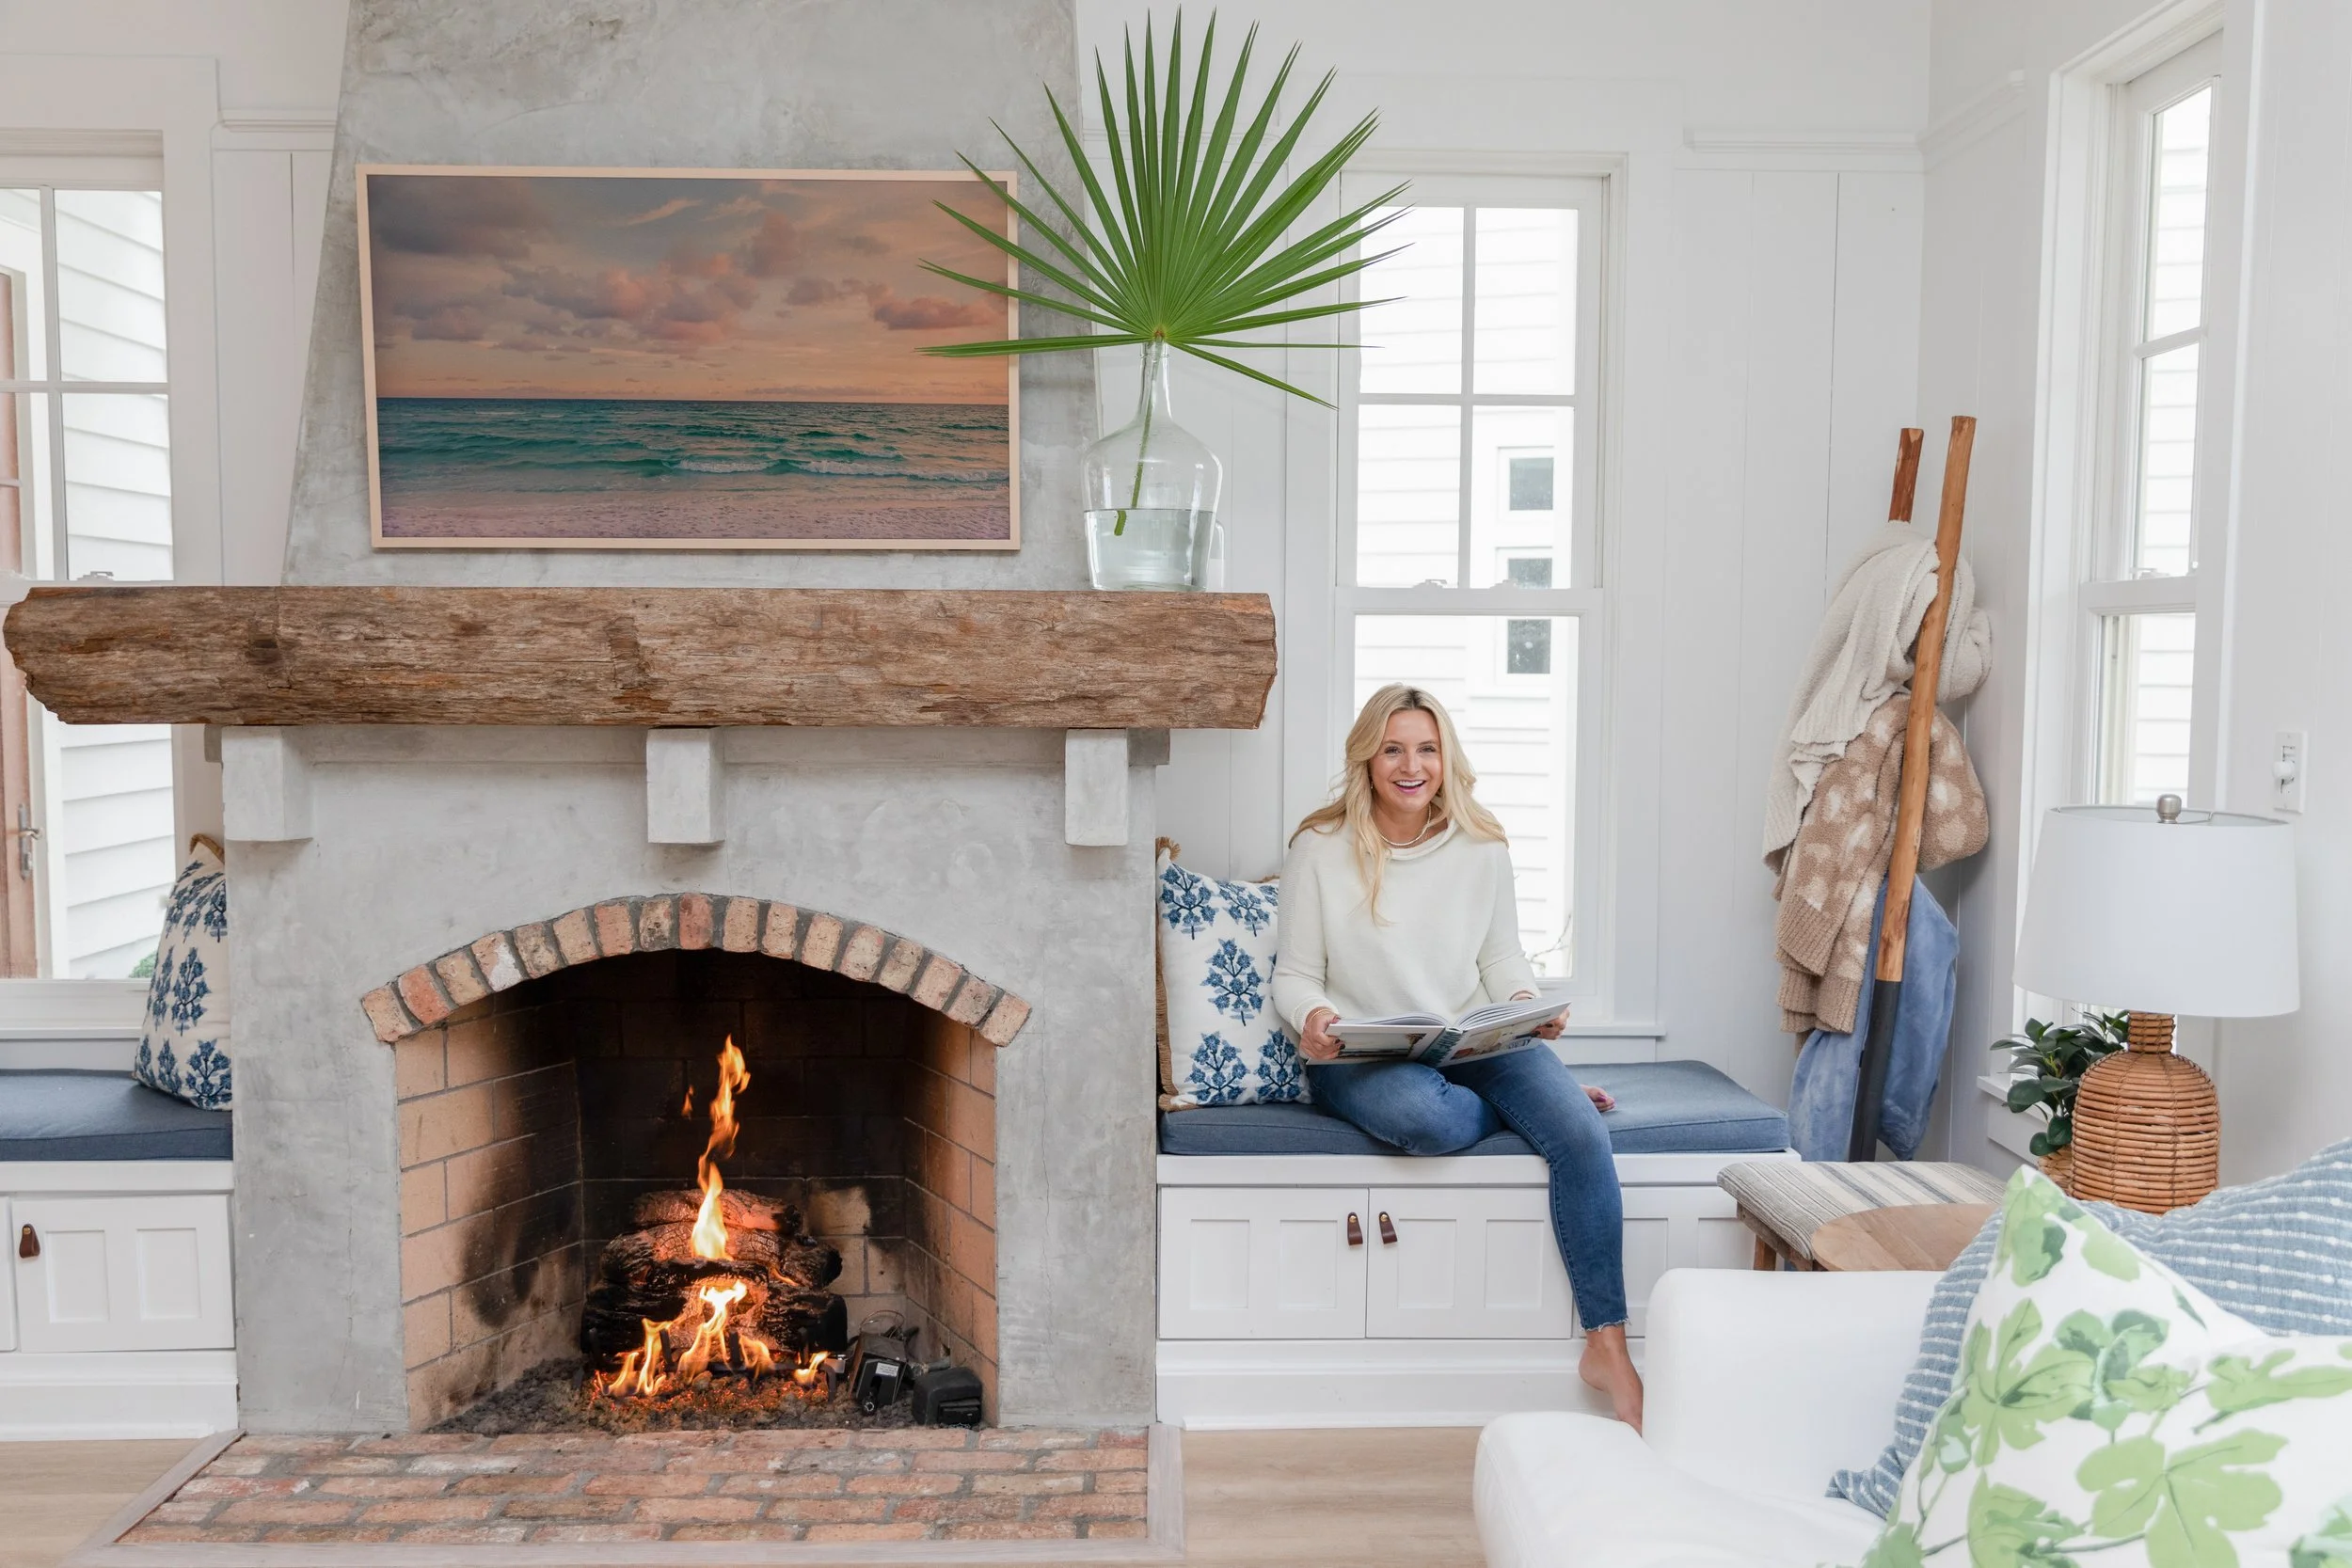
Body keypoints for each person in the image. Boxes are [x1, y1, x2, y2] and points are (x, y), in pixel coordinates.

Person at [1272, 684, 1642, 1429]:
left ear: (1446, 758)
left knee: (1578, 1132)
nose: (1411, 766)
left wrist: (1528, 1004)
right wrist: (1312, 1017)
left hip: (1471, 1038)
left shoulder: (1481, 845)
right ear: (1367, 758)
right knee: (1426, 1120)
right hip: (1361, 1054)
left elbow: (1502, 959)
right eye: (1393, 749)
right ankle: (1528, 1106)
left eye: (1427, 748)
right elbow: (1296, 973)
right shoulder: (1319, 847)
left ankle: (1607, 1343)